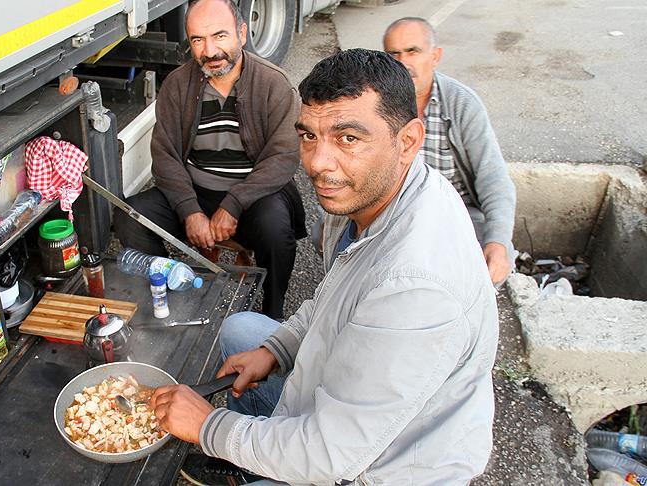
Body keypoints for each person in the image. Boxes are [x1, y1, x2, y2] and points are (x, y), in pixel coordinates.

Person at [149, 49, 499, 485]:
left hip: (381, 465)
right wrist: (274, 351)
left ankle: (256, 464)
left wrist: (208, 427)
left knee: (267, 441)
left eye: (348, 138)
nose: (317, 164)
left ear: (407, 140)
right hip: (354, 396)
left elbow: (332, 453)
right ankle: (251, 461)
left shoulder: (416, 289)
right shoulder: (368, 192)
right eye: (309, 136)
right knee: (243, 331)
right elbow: (331, 295)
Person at [113, 0, 306, 319]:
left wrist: (233, 204)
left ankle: (272, 318)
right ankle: (175, 295)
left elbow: (284, 156)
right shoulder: (177, 84)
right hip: (196, 190)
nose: (210, 50)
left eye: (220, 36)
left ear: (242, 34)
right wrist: (190, 211)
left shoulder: (275, 85)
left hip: (253, 195)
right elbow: (164, 155)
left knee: (275, 229)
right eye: (197, 40)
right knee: (131, 219)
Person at [383, 17, 517, 286]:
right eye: (394, 54)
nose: (403, 62)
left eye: (413, 51)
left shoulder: (461, 103)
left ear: (435, 56)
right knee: (331, 236)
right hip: (392, 210)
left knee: (489, 262)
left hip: (457, 211)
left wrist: (499, 242)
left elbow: (493, 177)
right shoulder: (376, 102)